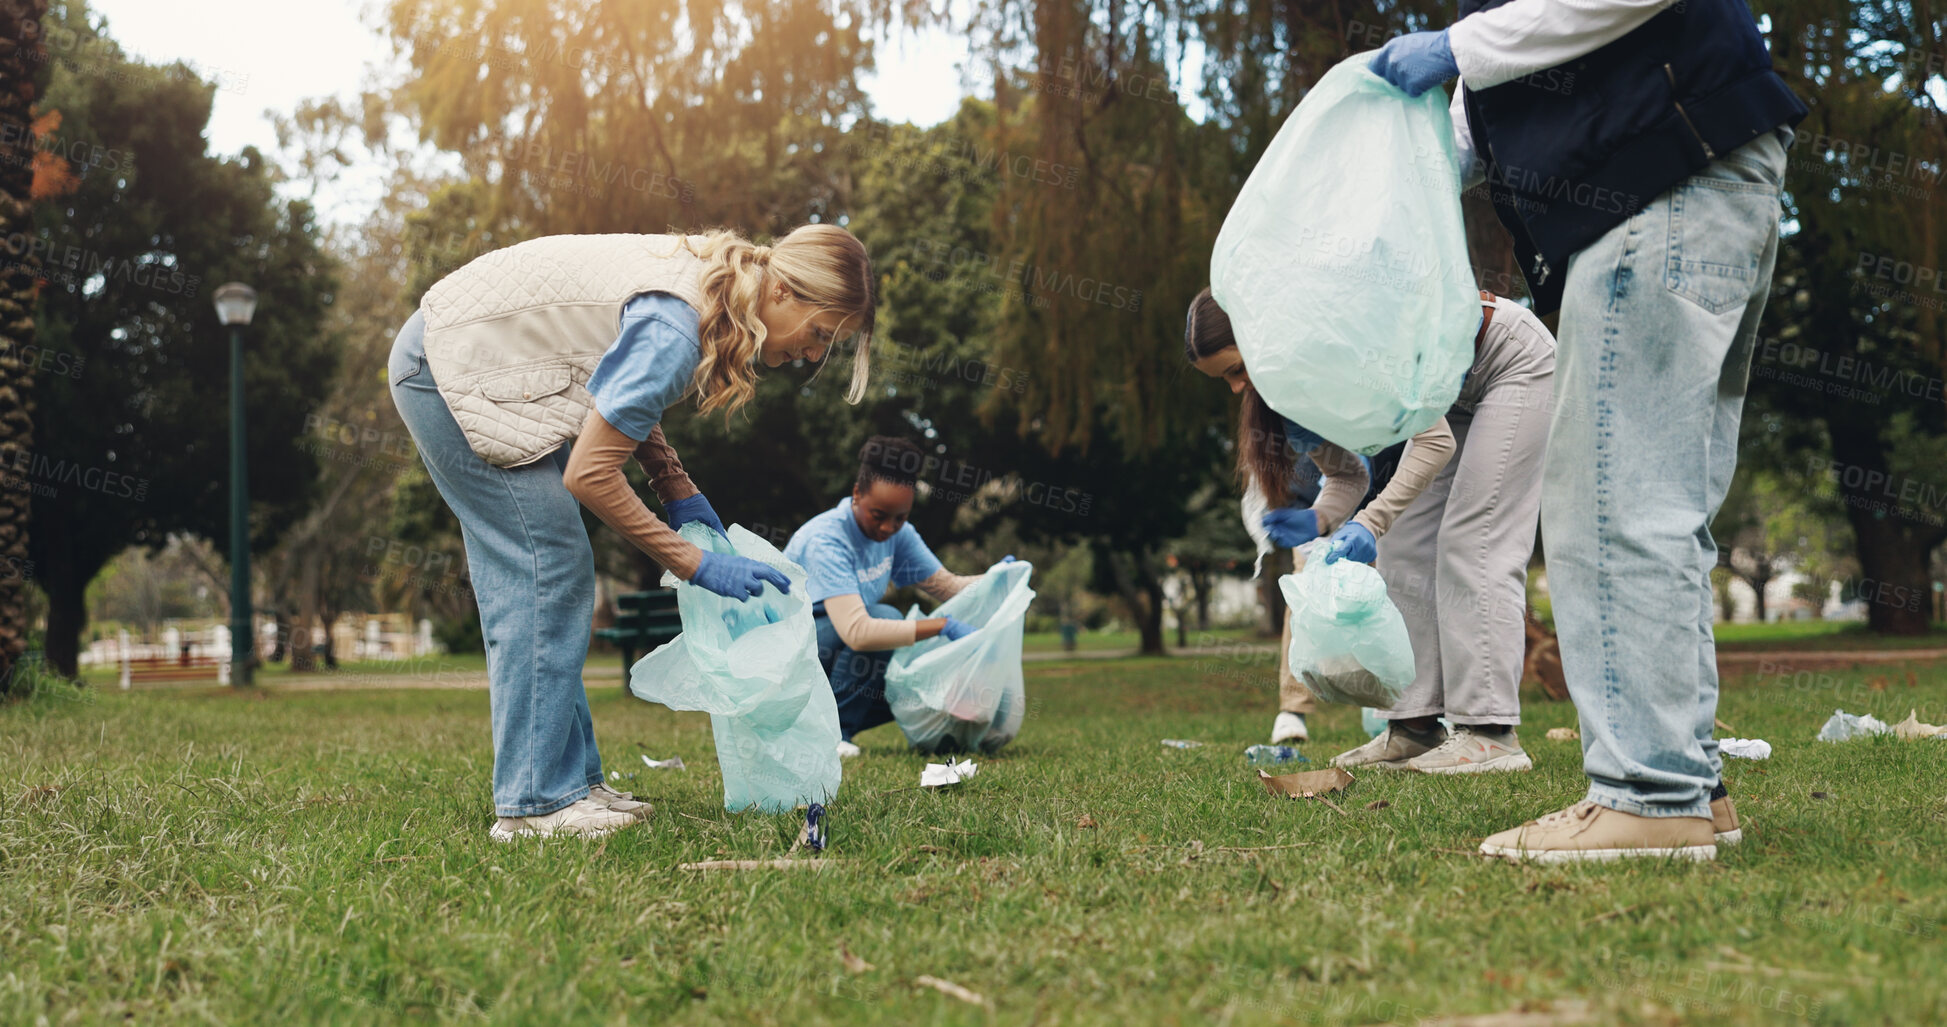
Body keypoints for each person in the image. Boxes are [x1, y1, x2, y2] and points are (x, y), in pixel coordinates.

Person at [1371, 0, 1806, 860]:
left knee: (1613, 498)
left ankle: (1647, 795)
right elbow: (1496, 100)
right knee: (1660, 502)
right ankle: (1690, 782)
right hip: (1693, 177)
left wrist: (1454, 46)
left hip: (1659, 188)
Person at [388, 226, 876, 841]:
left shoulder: (712, 291)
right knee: (548, 565)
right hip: (446, 367)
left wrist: (676, 487)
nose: (813, 357)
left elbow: (617, 399)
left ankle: (571, 785)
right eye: (820, 335)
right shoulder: (679, 326)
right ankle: (535, 805)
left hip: (479, 365)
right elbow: (590, 475)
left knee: (549, 568)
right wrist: (695, 563)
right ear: (782, 290)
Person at [1190, 288, 1555, 775]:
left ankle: (1490, 735)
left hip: (1507, 362)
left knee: (1473, 542)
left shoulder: (1345, 345)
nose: (1237, 389)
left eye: (1236, 370)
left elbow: (1432, 441)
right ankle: (1414, 730)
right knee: (1402, 547)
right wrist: (1320, 518)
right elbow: (1347, 476)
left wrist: (1368, 521)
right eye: (1226, 380)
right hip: (1453, 398)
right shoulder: (1292, 386)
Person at [783, 436, 986, 756]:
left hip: (833, 653)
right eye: (878, 515)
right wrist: (942, 626)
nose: (888, 528)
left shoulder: (897, 534)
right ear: (856, 495)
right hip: (788, 663)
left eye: (900, 517)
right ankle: (830, 734)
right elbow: (858, 633)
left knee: (914, 675)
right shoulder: (825, 539)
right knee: (885, 620)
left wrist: (1001, 580)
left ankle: (834, 728)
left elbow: (947, 586)